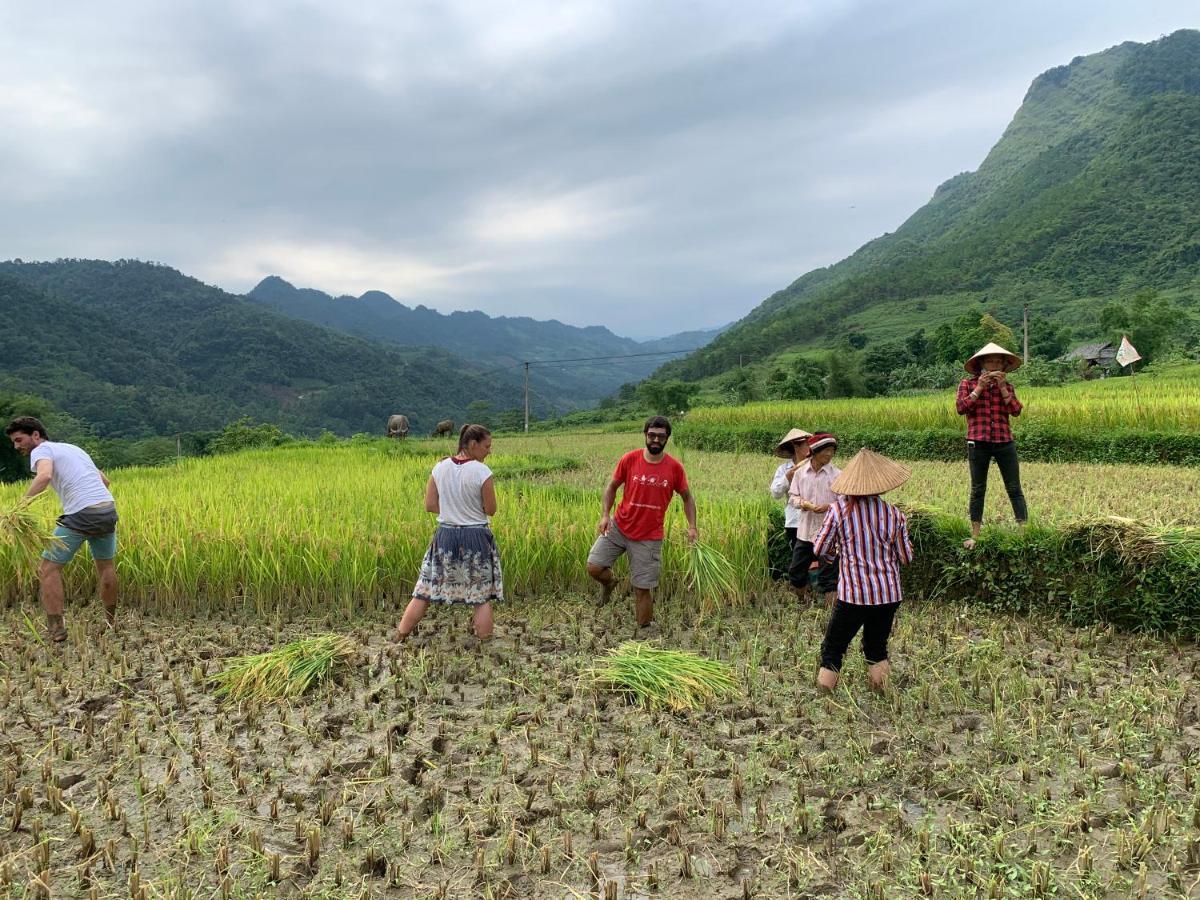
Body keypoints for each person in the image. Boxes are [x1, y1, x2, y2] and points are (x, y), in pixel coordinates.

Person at [4, 416, 119, 642]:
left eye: (19, 440)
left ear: (36, 435)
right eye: (14, 443)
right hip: (107, 510)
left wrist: (18, 508)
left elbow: (44, 476)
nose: (17, 446)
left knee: (48, 569)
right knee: (105, 566)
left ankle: (56, 629)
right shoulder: (72, 449)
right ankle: (110, 622)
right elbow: (105, 481)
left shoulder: (42, 450)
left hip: (81, 515)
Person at [813, 448, 913, 693]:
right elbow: (906, 557)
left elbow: (820, 547)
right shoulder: (894, 515)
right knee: (876, 647)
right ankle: (883, 695)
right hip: (888, 594)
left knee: (833, 648)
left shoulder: (838, 511)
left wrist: (836, 554)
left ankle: (824, 699)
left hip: (853, 596)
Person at [586, 416, 698, 629]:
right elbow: (611, 487)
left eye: (661, 437)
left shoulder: (674, 468)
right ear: (645, 435)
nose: (655, 440)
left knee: (642, 588)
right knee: (594, 567)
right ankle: (610, 583)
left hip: (649, 536)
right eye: (652, 435)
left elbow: (687, 497)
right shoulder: (630, 459)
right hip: (619, 526)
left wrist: (692, 527)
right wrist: (605, 515)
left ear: (667, 439)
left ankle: (643, 632)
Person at [394, 424, 502, 641]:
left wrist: (454, 509)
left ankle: (400, 635)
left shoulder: (440, 468)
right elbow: (490, 510)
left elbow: (430, 505)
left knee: (424, 590)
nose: (489, 451)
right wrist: (469, 511)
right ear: (473, 444)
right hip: (476, 537)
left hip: (445, 536)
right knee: (480, 596)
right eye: (487, 446)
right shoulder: (482, 472)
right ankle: (486, 644)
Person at [956, 342, 1028, 550]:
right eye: (990, 361)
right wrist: (980, 387)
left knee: (1014, 488)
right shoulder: (967, 385)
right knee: (978, 489)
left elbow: (1016, 411)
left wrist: (1003, 388)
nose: (994, 365)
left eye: (998, 362)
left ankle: (1024, 533)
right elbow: (961, 408)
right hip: (978, 442)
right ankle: (975, 535)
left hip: (1004, 441)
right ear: (981, 365)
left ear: (1004, 367)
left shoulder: (1008, 387)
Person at [787, 433, 839, 604]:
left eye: (832, 451)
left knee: (829, 576)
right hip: (805, 531)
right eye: (827, 450)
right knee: (796, 572)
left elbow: (844, 502)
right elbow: (792, 497)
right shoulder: (800, 474)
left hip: (829, 534)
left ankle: (829, 611)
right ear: (815, 451)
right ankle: (802, 601)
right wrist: (804, 504)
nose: (830, 454)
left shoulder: (838, 475)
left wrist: (829, 507)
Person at [769, 428, 812, 550]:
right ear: (796, 446)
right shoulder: (784, 469)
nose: (811, 448)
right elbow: (775, 493)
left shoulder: (816, 466)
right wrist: (787, 477)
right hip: (795, 522)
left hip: (815, 519)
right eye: (807, 445)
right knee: (798, 558)